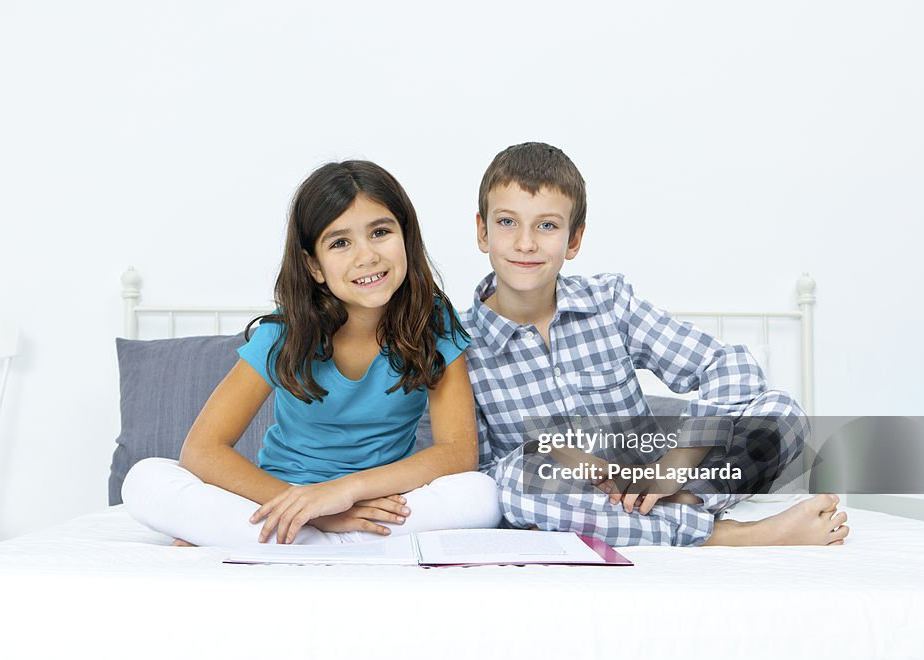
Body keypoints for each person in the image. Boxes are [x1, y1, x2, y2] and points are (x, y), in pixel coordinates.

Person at [464, 141, 849, 547]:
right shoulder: (458, 344)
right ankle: (728, 535)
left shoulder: (609, 303)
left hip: (661, 476)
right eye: (507, 222)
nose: (525, 243)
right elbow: (485, 474)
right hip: (566, 496)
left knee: (782, 412)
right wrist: (558, 455)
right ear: (482, 231)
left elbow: (728, 365)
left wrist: (675, 465)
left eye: (547, 226)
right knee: (510, 487)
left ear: (574, 240)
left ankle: (680, 504)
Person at [123, 160, 501, 547]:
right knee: (145, 479)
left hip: (378, 502)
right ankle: (327, 540)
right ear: (314, 266)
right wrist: (320, 514)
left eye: (381, 232)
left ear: (406, 236)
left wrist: (344, 495)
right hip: (285, 497)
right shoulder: (284, 334)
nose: (366, 256)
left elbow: (457, 454)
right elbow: (201, 450)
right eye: (340, 243)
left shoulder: (433, 321)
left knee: (480, 495)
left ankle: (281, 542)